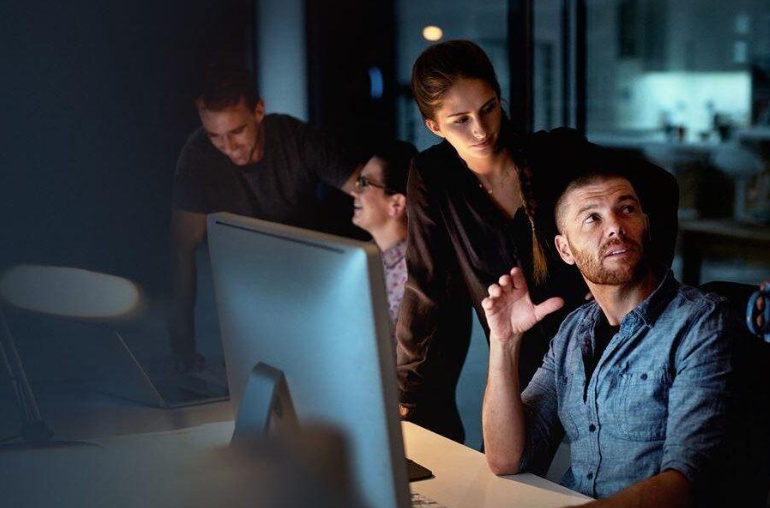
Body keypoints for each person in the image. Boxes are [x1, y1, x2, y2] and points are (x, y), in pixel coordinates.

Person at [397, 40, 679, 443]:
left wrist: (637, 278)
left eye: (489, 108)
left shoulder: (556, 152)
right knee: (511, 468)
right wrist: (405, 389)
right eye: (460, 120)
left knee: (615, 458)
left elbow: (660, 188)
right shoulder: (431, 175)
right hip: (522, 357)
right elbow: (424, 286)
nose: (480, 129)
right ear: (434, 126)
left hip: (600, 337)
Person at [458, 169, 739, 508]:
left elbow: (683, 484)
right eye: (593, 218)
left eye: (627, 209)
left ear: (645, 224)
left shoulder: (699, 321)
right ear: (565, 250)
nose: (616, 228)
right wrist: (504, 344)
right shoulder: (574, 331)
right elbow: (507, 458)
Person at [169, 65, 363, 371]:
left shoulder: (296, 139)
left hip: (316, 275)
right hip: (248, 287)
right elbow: (181, 252)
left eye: (237, 131)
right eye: (215, 136)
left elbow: (366, 191)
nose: (229, 148)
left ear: (259, 111)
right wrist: (181, 348)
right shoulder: (198, 156)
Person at [345, 140, 418, 323]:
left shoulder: (415, 275)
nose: (354, 192)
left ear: (396, 204)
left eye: (364, 183)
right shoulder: (361, 257)